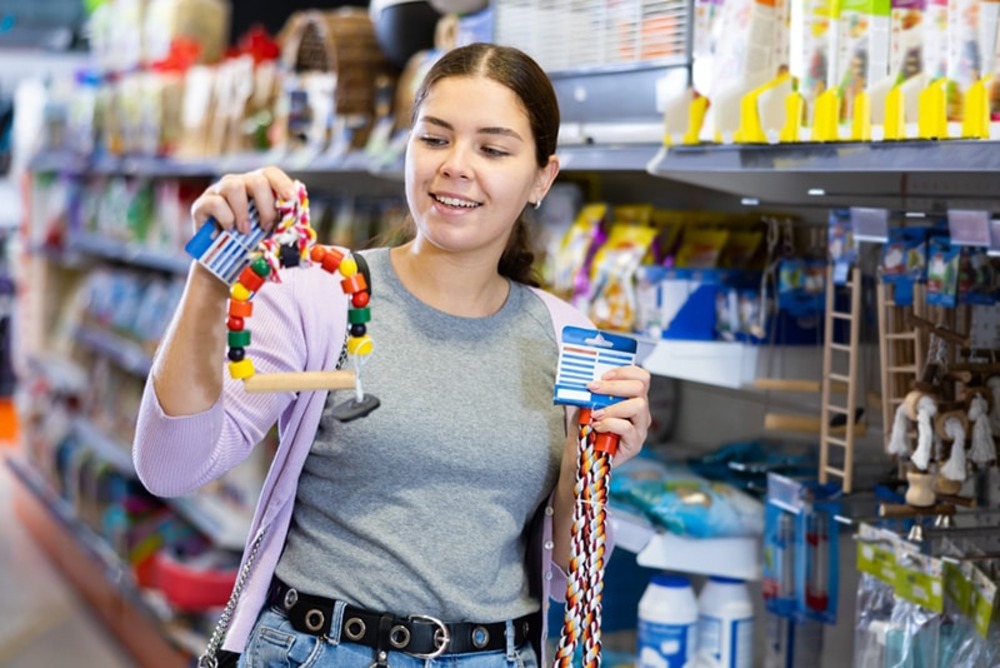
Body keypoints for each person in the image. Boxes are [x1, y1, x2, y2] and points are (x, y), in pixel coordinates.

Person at [133, 42, 652, 668]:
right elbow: (171, 467)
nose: (456, 166)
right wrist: (211, 280)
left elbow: (576, 570)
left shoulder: (570, 337)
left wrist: (588, 466)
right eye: (434, 139)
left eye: (492, 149)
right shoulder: (320, 295)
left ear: (543, 176)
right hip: (315, 651)